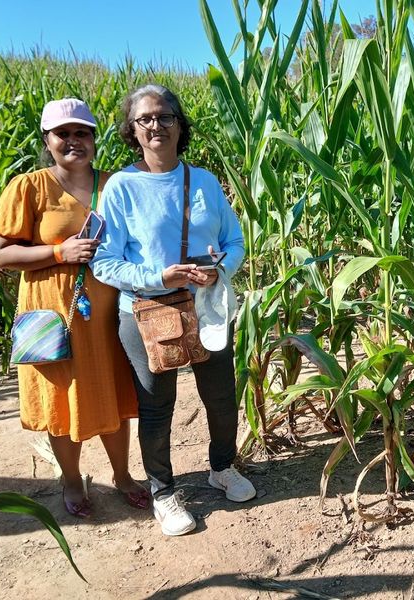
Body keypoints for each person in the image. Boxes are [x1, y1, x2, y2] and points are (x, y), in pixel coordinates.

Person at [91, 83, 255, 537]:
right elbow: (105, 261)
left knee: (221, 395)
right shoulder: (121, 187)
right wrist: (159, 277)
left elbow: (235, 242)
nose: (156, 125)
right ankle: (163, 492)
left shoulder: (202, 181)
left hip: (207, 305)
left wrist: (220, 271)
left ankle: (222, 467)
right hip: (145, 310)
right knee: (157, 405)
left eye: (165, 116)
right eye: (145, 118)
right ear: (132, 129)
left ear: (181, 125)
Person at [0, 98, 150, 518]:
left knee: (113, 395)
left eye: (83, 132)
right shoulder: (29, 186)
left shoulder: (114, 184)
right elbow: (2, 256)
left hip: (108, 314)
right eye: (63, 133)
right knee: (61, 401)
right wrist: (60, 251)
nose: (74, 141)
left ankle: (123, 475)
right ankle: (72, 481)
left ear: (94, 139)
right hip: (53, 317)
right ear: (48, 140)